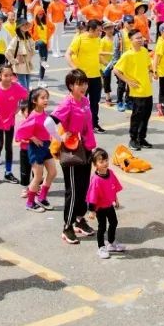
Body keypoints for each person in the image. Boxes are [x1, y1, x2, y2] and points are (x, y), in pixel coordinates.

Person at [53, 70, 96, 244]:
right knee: (73, 190)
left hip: (86, 149)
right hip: (72, 152)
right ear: (71, 86)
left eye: (85, 83)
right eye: (79, 84)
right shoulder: (67, 103)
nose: (83, 86)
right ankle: (67, 226)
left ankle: (79, 219)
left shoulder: (85, 100)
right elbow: (49, 122)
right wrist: (60, 137)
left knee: (84, 188)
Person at [15, 87, 59, 212]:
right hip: (35, 149)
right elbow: (20, 131)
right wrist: (32, 137)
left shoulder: (44, 113)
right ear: (34, 101)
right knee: (38, 177)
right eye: (42, 98)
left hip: (46, 147)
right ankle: (30, 203)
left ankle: (42, 198)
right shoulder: (33, 115)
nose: (46, 100)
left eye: (47, 98)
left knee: (53, 172)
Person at [113, 30, 154, 150]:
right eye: (137, 38)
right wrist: (128, 81)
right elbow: (116, 70)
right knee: (137, 117)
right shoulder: (127, 55)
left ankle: (141, 138)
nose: (140, 40)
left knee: (146, 116)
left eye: (141, 37)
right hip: (137, 92)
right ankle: (133, 139)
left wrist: (151, 73)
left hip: (147, 90)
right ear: (131, 40)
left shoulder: (144, 51)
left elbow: (148, 65)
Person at [66, 20, 105, 132]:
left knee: (95, 102)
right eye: (98, 30)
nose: (100, 33)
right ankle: (76, 124)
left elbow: (97, 55)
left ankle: (94, 124)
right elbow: (67, 54)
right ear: (91, 29)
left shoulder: (98, 40)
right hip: (82, 78)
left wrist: (107, 64)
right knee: (79, 102)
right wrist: (75, 69)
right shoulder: (80, 39)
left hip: (96, 75)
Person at [85, 149, 124, 259]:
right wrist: (92, 210)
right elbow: (92, 196)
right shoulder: (96, 180)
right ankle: (101, 247)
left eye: (106, 160)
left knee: (114, 222)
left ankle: (111, 243)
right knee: (102, 227)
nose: (105, 163)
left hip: (109, 205)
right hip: (100, 208)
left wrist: (116, 199)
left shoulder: (110, 173)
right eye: (101, 162)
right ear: (95, 165)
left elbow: (113, 187)